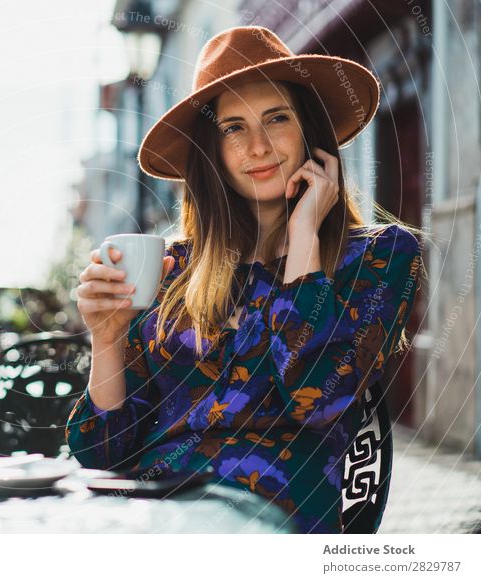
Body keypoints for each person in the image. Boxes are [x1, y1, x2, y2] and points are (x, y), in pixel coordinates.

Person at [65, 26, 427, 533]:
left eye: (276, 118)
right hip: (147, 512)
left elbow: (317, 397)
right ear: (212, 151)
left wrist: (305, 234)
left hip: (267, 518)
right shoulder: (169, 271)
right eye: (233, 127)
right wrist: (106, 340)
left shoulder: (379, 257)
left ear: (310, 132)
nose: (257, 146)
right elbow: (101, 454)